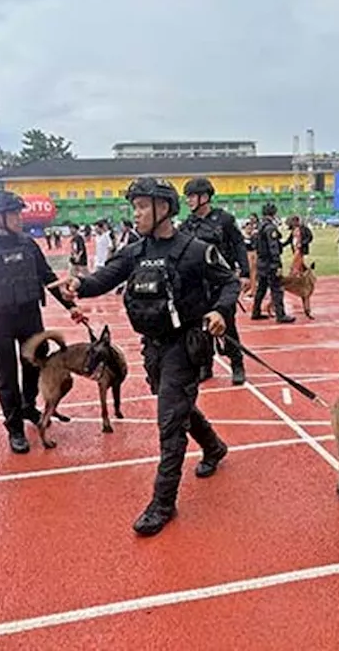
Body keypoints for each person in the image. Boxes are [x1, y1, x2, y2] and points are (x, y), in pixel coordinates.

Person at [53, 177, 241, 536]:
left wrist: (219, 311)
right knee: (178, 405)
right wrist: (79, 284)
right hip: (153, 347)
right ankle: (214, 447)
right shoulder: (135, 250)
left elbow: (229, 282)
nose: (136, 213)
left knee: (170, 422)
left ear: (164, 208)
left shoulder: (195, 250)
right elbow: (104, 278)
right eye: (134, 207)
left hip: (186, 344)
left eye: (142, 207)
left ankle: (162, 503)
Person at [0, 190, 85, 454]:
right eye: (14, 213)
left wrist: (71, 307)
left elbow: (48, 277)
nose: (20, 218)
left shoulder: (29, 244)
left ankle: (28, 405)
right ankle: (14, 427)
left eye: (19, 212)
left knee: (35, 365)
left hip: (30, 316)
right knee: (6, 375)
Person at [178, 176, 249, 384]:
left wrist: (244, 272)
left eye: (192, 196)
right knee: (202, 328)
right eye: (187, 197)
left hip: (221, 282)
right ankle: (205, 365)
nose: (189, 201)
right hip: (198, 285)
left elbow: (238, 245)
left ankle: (237, 364)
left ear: (205, 197)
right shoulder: (187, 225)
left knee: (228, 325)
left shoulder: (224, 220)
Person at [251, 202, 296, 322]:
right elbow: (273, 247)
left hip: (261, 262)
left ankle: (255, 311)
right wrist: (277, 264)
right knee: (277, 289)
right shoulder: (270, 228)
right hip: (270, 263)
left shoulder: (259, 226)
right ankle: (280, 315)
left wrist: (287, 241)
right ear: (274, 213)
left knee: (261, 289)